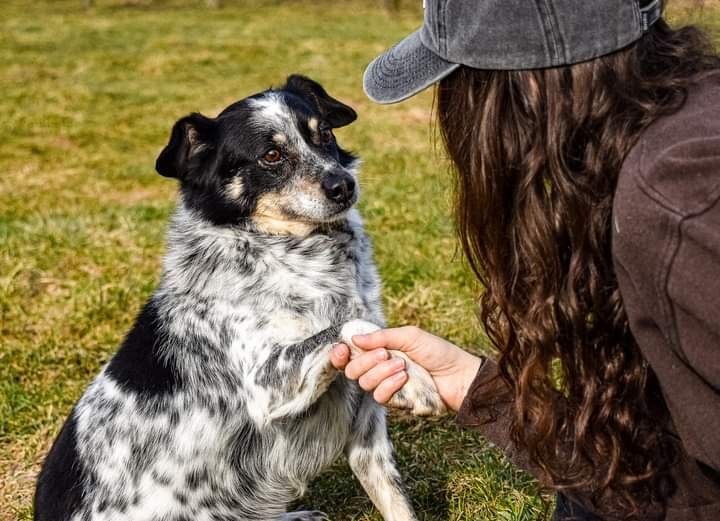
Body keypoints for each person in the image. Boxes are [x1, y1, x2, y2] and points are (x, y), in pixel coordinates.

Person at [330, 0, 720, 519]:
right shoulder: (683, 123)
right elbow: (656, 472)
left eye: (463, 85)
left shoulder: (676, 202)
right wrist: (476, 388)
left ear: (527, 86)